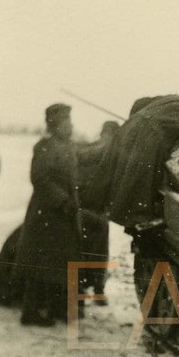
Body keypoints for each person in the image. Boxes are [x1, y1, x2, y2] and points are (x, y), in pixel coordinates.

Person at [96, 95, 179, 229]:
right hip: (147, 139)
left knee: (119, 176)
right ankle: (130, 221)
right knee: (138, 181)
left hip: (130, 128)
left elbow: (140, 102)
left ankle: (109, 213)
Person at [16, 103, 82, 326]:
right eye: (67, 122)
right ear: (56, 125)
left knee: (58, 262)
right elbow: (40, 178)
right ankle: (30, 312)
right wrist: (62, 200)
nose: (71, 126)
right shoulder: (45, 146)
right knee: (39, 263)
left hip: (61, 215)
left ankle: (56, 309)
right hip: (46, 213)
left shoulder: (66, 146)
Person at [75, 120, 120, 303]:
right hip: (97, 211)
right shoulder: (111, 151)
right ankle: (98, 291)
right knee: (99, 252)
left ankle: (82, 288)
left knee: (82, 249)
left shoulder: (86, 148)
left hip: (81, 208)